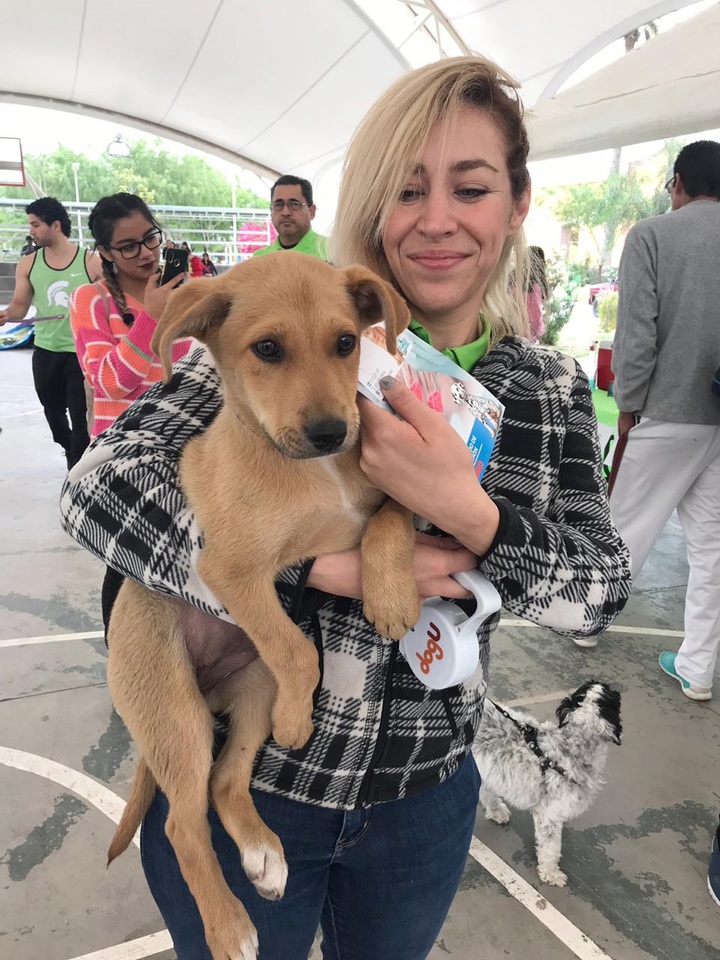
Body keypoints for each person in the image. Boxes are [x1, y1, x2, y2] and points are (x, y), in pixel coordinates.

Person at [61, 56, 631, 960]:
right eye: (408, 189)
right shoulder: (277, 338)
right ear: (371, 201)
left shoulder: (547, 387)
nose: (438, 218)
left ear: (516, 204)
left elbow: (600, 593)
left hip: (424, 795)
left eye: (471, 188)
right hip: (273, 773)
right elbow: (95, 488)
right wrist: (314, 564)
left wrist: (469, 514)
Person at [610, 140, 720, 703]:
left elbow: (637, 333)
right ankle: (698, 669)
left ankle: (589, 619)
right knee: (712, 549)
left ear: (678, 182)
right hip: (717, 418)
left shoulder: (653, 235)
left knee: (624, 525)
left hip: (666, 408)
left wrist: (627, 405)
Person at [69, 192, 192, 630]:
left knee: (181, 568)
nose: (146, 252)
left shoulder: (182, 291)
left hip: (183, 451)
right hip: (121, 460)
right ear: (104, 252)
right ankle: (130, 685)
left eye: (150, 238)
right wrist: (152, 319)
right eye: (128, 246)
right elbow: (109, 381)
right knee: (125, 567)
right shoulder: (91, 300)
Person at [0, 197, 102, 470]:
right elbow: (20, 307)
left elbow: (108, 301)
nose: (31, 230)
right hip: (46, 351)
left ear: (55, 225)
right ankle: (69, 448)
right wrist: (7, 315)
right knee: (53, 413)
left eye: (36, 224)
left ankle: (76, 471)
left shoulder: (90, 261)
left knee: (81, 419)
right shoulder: (29, 264)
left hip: (80, 354)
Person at [252, 174, 329, 259]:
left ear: (311, 211)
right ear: (271, 211)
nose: (285, 212)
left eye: (294, 204)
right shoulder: (259, 260)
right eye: (278, 205)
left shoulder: (332, 252)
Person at [525, 245, 549, 340]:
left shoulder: (511, 279)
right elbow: (535, 317)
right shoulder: (534, 285)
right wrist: (540, 330)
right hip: (525, 336)